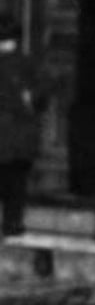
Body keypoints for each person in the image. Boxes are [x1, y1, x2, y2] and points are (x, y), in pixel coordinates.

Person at [0, 14, 47, 238]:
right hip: (20, 135)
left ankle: (11, 224)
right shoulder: (28, 63)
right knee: (16, 183)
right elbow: (39, 98)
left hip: (8, 132)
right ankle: (13, 223)